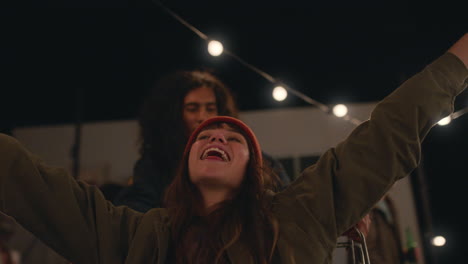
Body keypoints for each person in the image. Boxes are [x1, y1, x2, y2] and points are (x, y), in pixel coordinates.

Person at [0, 34, 466, 264]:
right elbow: (32, 184)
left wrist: (456, 64)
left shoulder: (298, 215)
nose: (214, 134)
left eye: (232, 136)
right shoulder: (139, 235)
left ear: (256, 168)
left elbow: (389, 133)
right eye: (202, 135)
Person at [113, 69, 290, 212]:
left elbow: (288, 210)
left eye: (210, 108)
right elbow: (135, 214)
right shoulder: (154, 165)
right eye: (192, 108)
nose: (203, 117)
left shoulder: (263, 163)